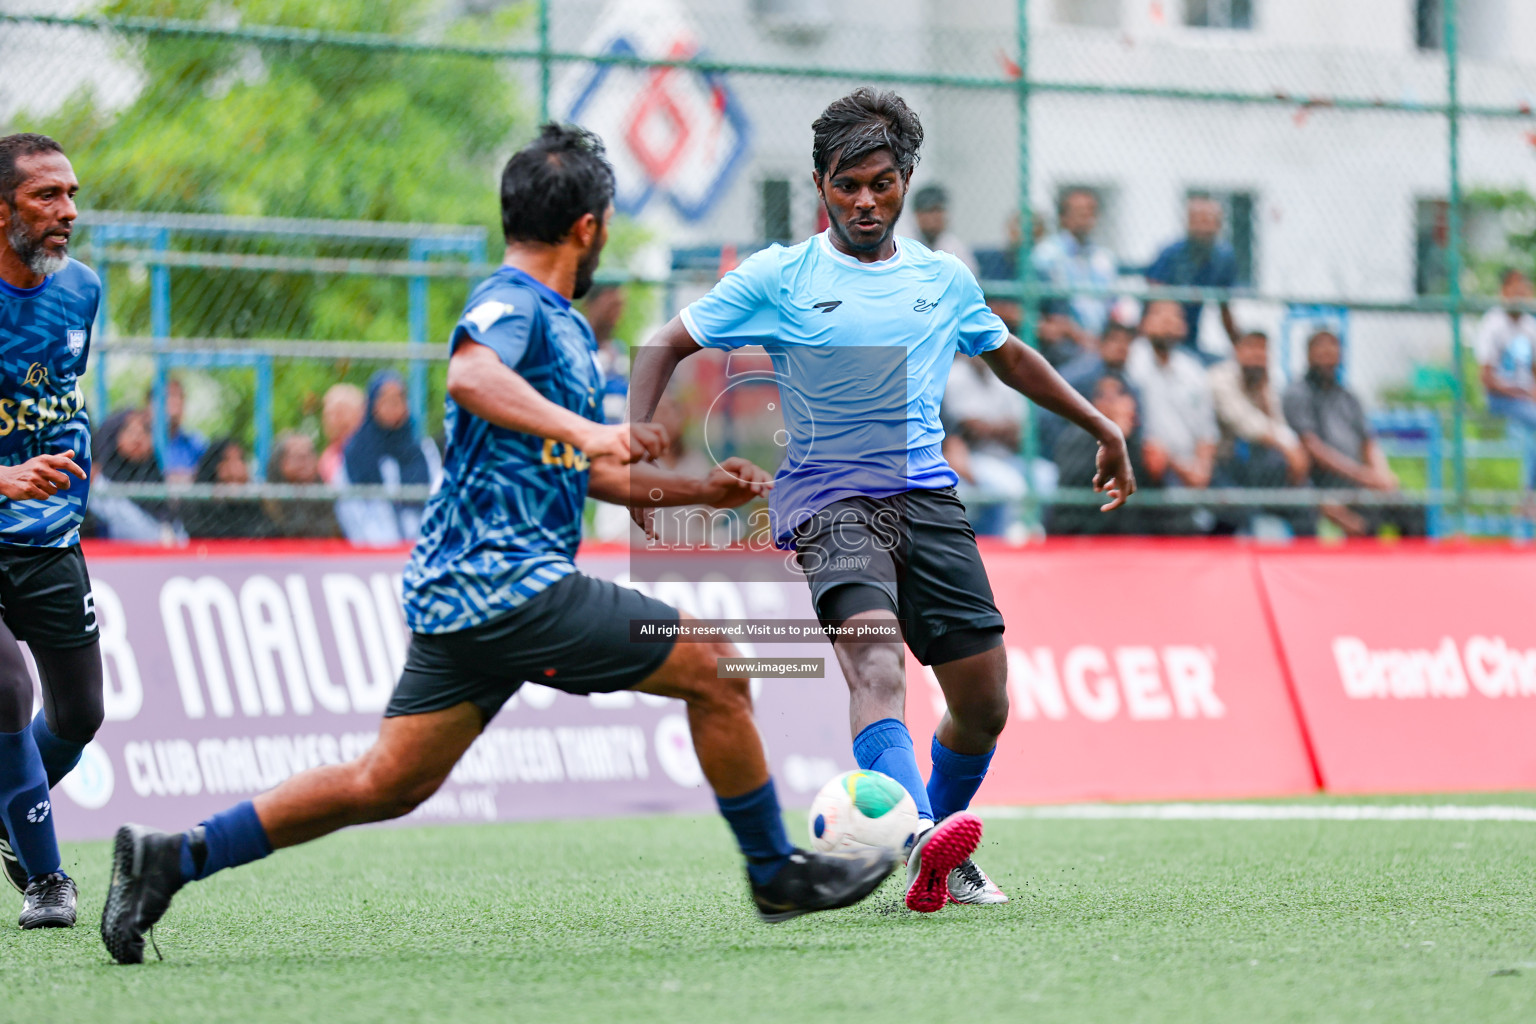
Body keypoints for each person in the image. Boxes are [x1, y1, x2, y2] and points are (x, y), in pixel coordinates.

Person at [100, 124, 895, 966]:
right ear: (589, 227)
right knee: (714, 663)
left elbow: (575, 471)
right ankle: (774, 874)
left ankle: (171, 857)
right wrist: (589, 429)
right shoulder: (513, 303)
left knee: (387, 781)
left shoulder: (558, 328)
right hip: (508, 584)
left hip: (468, 595)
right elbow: (470, 378)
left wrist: (701, 491)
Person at [629, 89, 1135, 913]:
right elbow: (665, 341)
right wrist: (634, 446)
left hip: (927, 500)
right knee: (873, 665)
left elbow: (1006, 355)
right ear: (820, 186)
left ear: (905, 180)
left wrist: (1100, 424)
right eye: (846, 184)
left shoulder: (943, 279)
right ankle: (927, 838)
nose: (865, 200)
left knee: (984, 702)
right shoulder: (780, 275)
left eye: (882, 182)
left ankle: (935, 844)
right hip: (831, 503)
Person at [0, 133, 106, 929]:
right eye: (47, 196)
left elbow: (59, 396)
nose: (67, 211)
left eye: (71, 194)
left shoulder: (82, 291)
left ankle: (11, 813)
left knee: (79, 718)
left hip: (50, 537)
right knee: (7, 692)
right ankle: (46, 879)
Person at [1281, 329, 1422, 537]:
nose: (1328, 355)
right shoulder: (1298, 393)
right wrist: (1362, 475)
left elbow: (1368, 442)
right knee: (1367, 522)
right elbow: (1311, 446)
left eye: (1333, 349)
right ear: (1309, 354)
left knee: (1414, 511)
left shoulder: (1348, 397)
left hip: (1359, 483)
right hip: (1322, 484)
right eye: (1321, 349)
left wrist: (1381, 475)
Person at [335, 370, 441, 546]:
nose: (392, 406)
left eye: (398, 399)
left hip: (418, 546)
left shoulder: (422, 450)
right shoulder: (355, 453)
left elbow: (436, 498)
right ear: (372, 405)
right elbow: (349, 507)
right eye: (385, 399)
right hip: (372, 548)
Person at [1125, 301, 1218, 495]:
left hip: (1192, 470)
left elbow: (1207, 432)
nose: (1168, 321)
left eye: (1176, 316)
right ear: (1143, 323)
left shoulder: (1193, 370)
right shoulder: (1131, 364)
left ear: (1184, 327)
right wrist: (1181, 469)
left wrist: (1201, 471)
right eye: (1159, 314)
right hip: (1147, 466)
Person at [940, 354, 1026, 536]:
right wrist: (1001, 428)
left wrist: (989, 428)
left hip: (1003, 456)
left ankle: (1021, 535)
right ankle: (1002, 540)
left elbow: (1020, 431)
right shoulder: (954, 374)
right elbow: (968, 426)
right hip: (971, 457)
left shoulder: (1002, 374)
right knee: (1007, 486)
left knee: (1044, 474)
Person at [1145, 196, 1241, 356]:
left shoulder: (1223, 258)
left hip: (1192, 337)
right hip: (1163, 335)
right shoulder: (1171, 254)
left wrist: (1239, 347)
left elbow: (1225, 308)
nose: (1204, 228)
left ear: (1219, 224)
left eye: (1209, 221)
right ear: (1188, 223)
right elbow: (1155, 299)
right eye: (1198, 220)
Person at [1210, 331, 1308, 487]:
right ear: (1237, 351)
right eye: (1251, 348)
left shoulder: (1264, 381)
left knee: (1293, 476)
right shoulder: (1220, 377)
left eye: (1262, 350)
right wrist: (1288, 445)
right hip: (1220, 464)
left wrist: (1262, 392)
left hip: (1251, 463)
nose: (1257, 355)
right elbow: (1244, 422)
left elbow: (1278, 423)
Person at [1031, 187, 1118, 342]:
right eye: (1079, 211)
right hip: (1064, 339)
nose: (1086, 216)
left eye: (1090, 211)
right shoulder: (1046, 254)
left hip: (1101, 338)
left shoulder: (1104, 257)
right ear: (1063, 217)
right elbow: (1048, 309)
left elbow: (1112, 304)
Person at [1475, 268, 1536, 433]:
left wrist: (1531, 393)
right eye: (1515, 291)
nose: (1520, 297)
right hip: (1500, 398)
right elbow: (1486, 378)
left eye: (1524, 292)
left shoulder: (1530, 325)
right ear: (1504, 292)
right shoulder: (1492, 324)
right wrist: (1519, 393)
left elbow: (1534, 370)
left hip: (1526, 397)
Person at [265, 431, 341, 538]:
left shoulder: (329, 498)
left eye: (309, 455)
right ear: (278, 463)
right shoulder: (266, 502)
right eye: (297, 457)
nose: (305, 462)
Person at [907, 184, 980, 275]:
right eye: (931, 210)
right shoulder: (903, 243)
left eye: (940, 210)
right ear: (918, 214)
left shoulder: (954, 246)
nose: (937, 216)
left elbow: (970, 277)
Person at [156, 378, 206, 484]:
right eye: (170, 396)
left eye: (180, 397)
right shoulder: (145, 441)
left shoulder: (194, 442)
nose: (176, 402)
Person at [317, 382, 364, 485]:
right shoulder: (327, 457)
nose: (334, 419)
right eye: (329, 413)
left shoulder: (371, 451)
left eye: (340, 412)